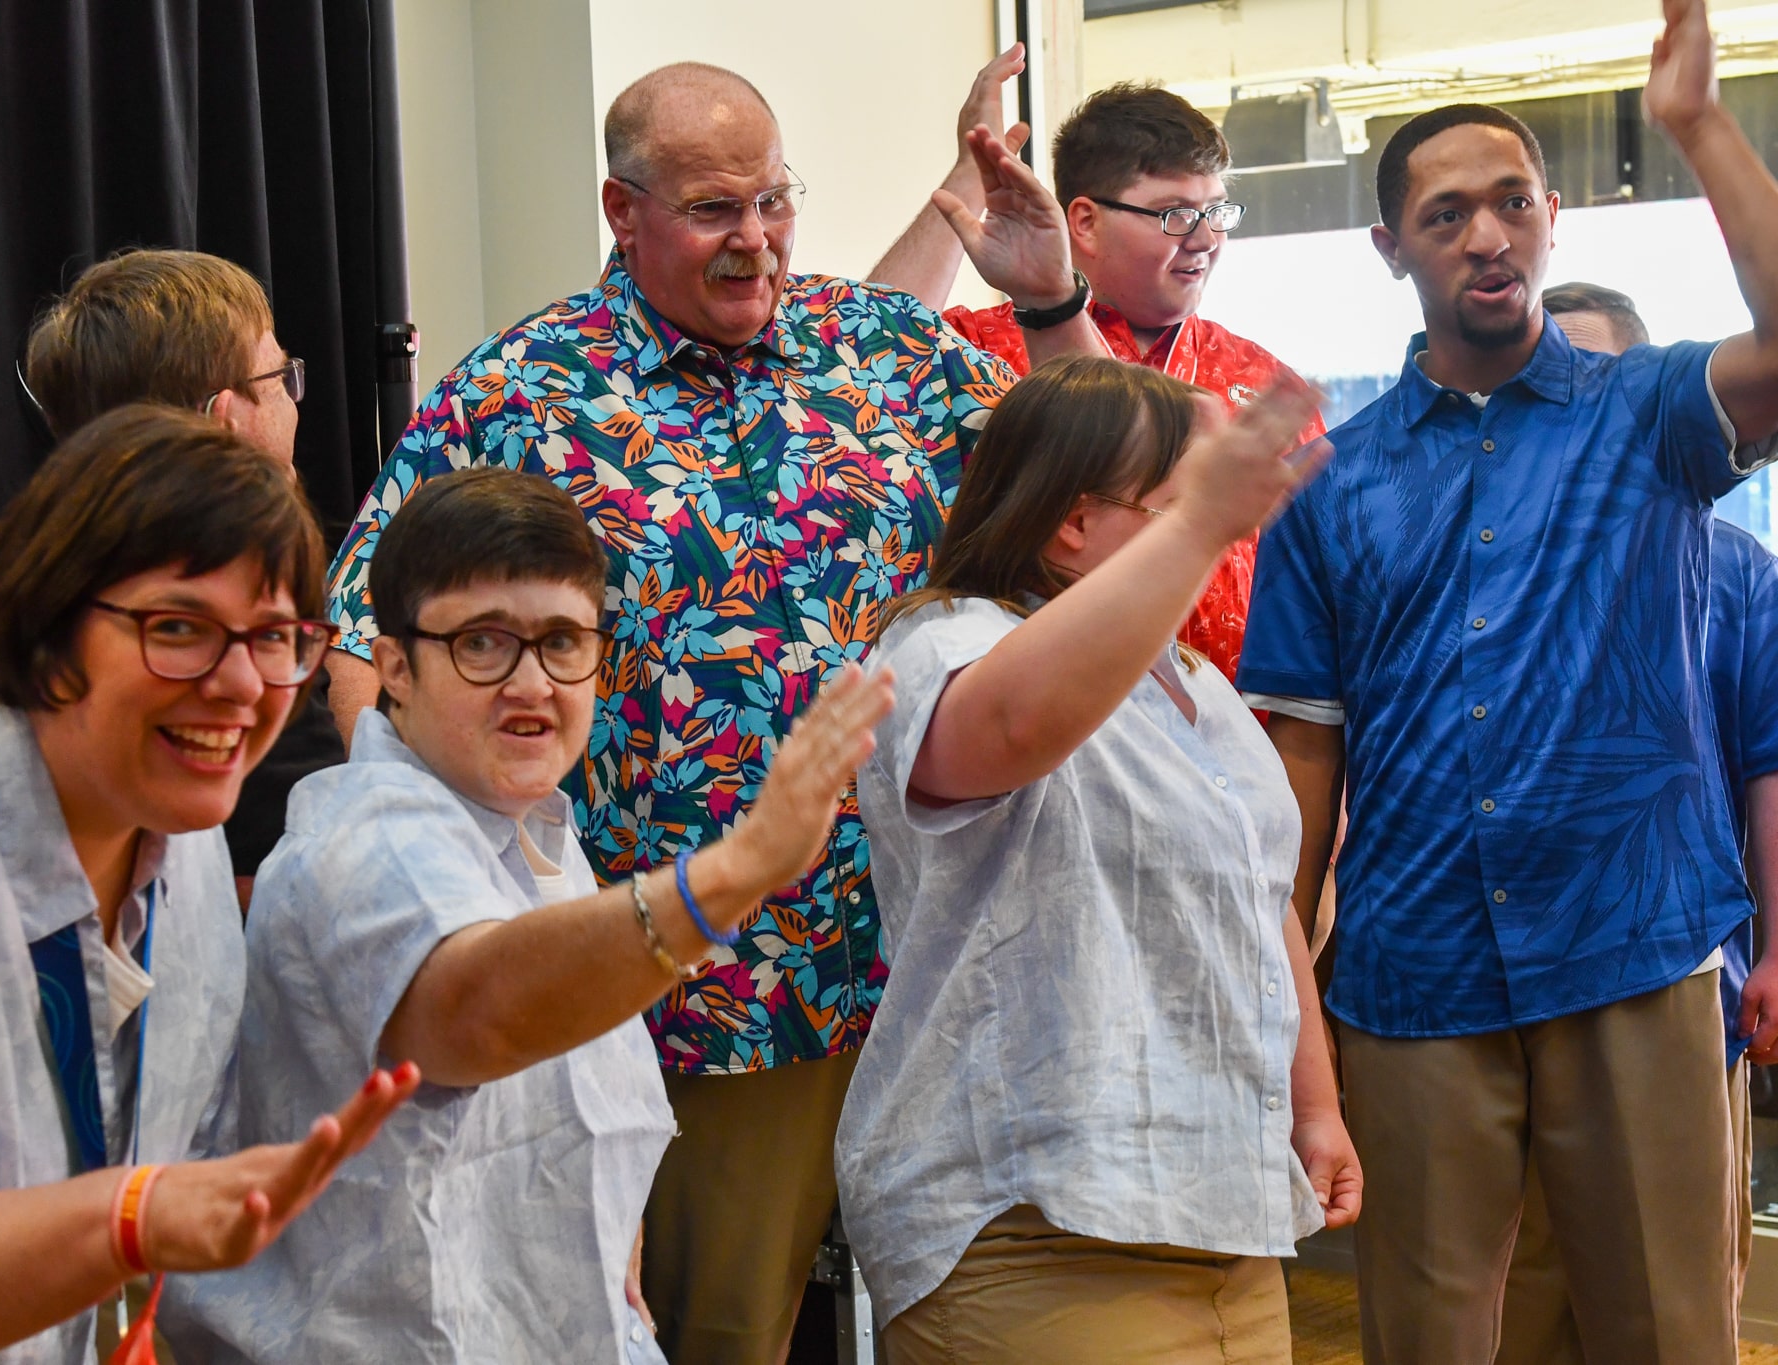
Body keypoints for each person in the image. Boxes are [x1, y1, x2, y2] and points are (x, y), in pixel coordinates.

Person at [314, 62, 1069, 1364]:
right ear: (624, 209)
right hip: (680, 991)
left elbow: (1109, 497)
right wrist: (428, 878)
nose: (760, 236)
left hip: (922, 959)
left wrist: (1050, 300)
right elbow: (362, 638)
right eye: (719, 208)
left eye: (776, 199)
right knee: (710, 1330)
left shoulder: (883, 349)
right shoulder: (525, 391)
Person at [1236, 0, 1778, 1354]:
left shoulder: (1648, 413)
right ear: (1390, 248)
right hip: (1414, 975)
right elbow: (1305, 754)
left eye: (1511, 204)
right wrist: (1283, 989)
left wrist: (1699, 126)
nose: (1487, 235)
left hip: (1634, 948)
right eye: (1446, 216)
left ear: (1548, 219)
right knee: (1426, 1333)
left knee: (1667, 1324)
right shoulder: (1332, 485)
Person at [0, 405, 416, 1365]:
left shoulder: (176, 818)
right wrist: (128, 1219)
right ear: (46, 618)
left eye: (276, 637)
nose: (241, 684)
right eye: (178, 628)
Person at [166, 468, 892, 1363]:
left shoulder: (528, 821)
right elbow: (478, 1008)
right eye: (482, 644)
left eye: (560, 641)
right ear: (393, 665)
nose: (531, 683)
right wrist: (737, 870)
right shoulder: (371, 838)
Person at [839, 355, 1351, 1363]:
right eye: (1181, 507)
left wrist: (1314, 1105)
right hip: (1025, 1218)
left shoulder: (1194, 685)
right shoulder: (942, 642)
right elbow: (1015, 723)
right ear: (1071, 526)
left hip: (1217, 1211)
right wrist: (1202, 524)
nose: (1218, 537)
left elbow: (1258, 905)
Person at [1493, 283, 1776, 1363]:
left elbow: (1765, 770)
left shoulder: (1734, 571)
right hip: (1492, 992)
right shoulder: (1471, 567)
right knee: (1515, 1290)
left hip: (1673, 976)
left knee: (1671, 1291)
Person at [869, 68, 1325, 683]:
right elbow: (858, 346)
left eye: (1217, 211)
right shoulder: (985, 345)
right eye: (1175, 215)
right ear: (1083, 221)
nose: (1205, 239)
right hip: (1041, 715)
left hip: (1230, 733)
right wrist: (968, 177)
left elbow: (1316, 590)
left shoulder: (1258, 378)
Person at [24, 248, 343, 910]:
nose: (295, 401)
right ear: (223, 416)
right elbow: (294, 887)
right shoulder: (246, 624)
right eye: (282, 376)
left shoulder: (44, 579)